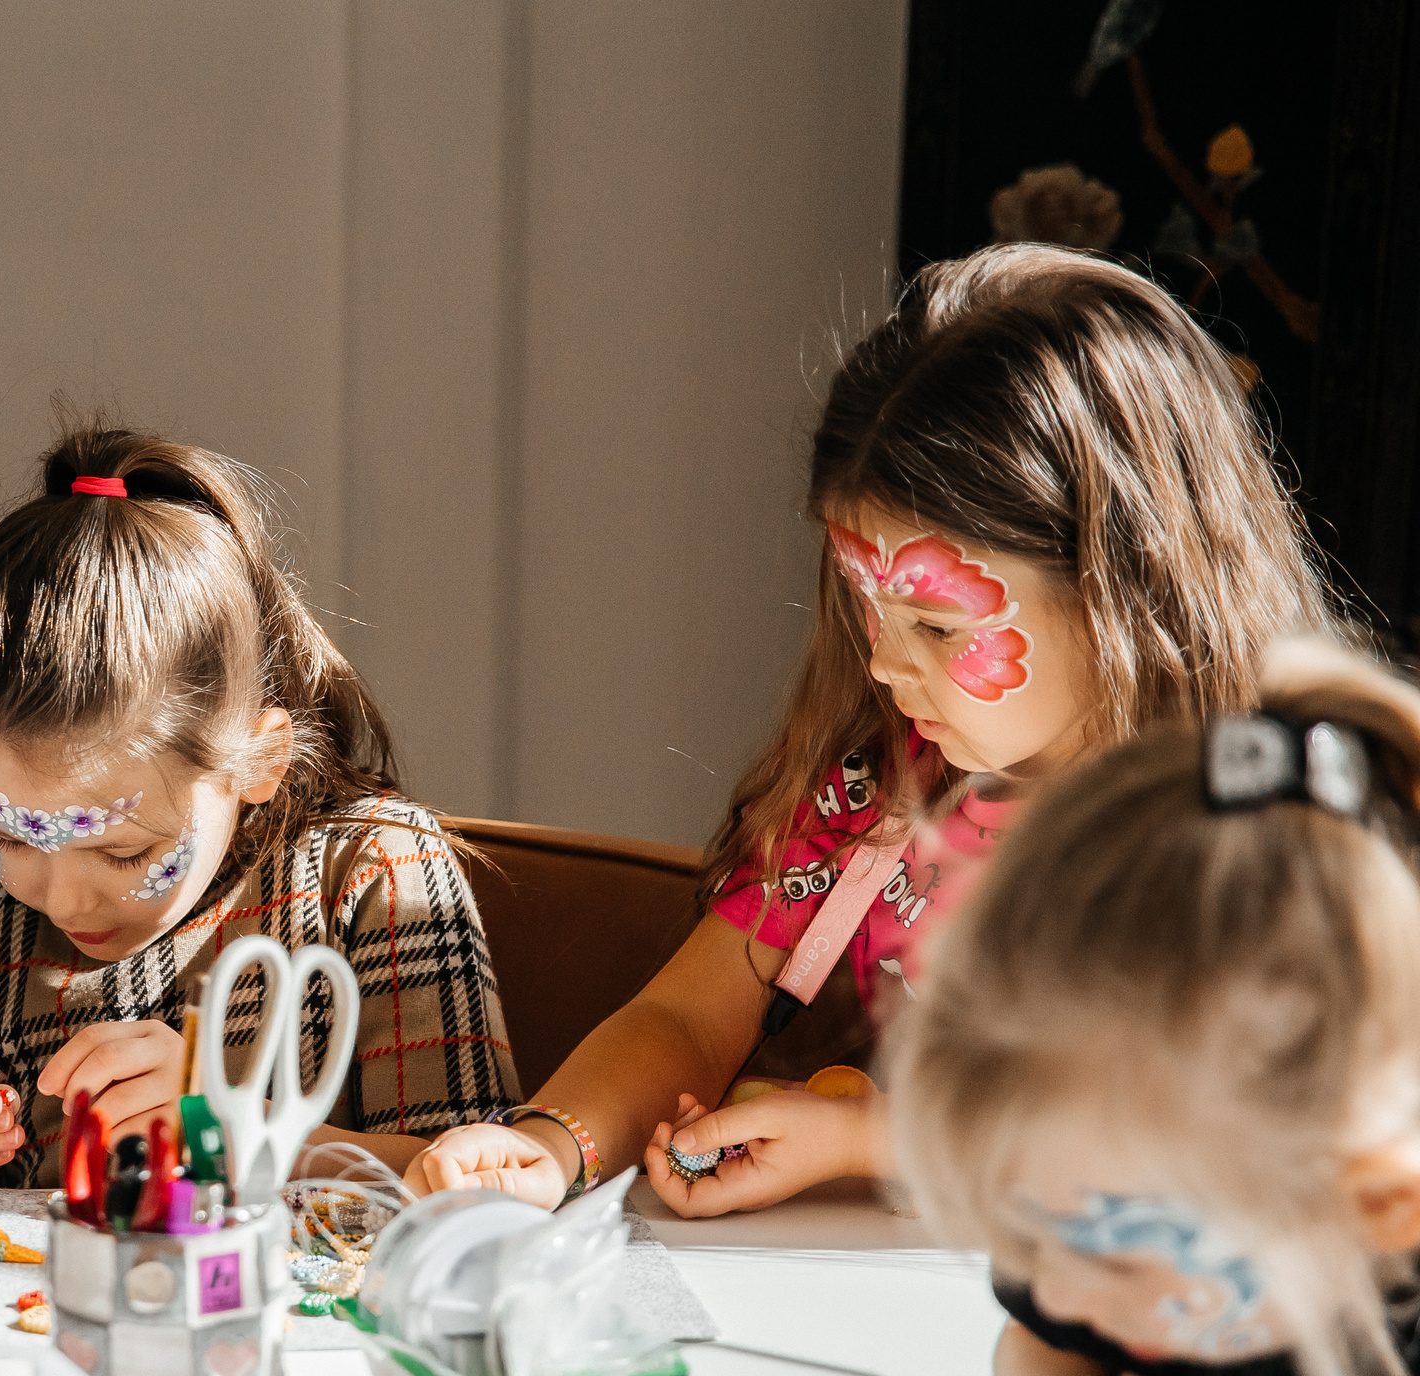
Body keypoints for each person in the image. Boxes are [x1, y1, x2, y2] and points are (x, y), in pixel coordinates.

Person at [405, 243, 1343, 1213]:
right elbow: (685, 1019)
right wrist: (552, 1143)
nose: (887, 666)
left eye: (938, 626)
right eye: (867, 604)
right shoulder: (879, 800)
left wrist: (870, 1138)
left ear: (1125, 584)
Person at [892, 636, 1420, 1376]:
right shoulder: (1228, 1226)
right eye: (1026, 1234)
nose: (1054, 1289)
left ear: (1374, 1203)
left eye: (1114, 1255)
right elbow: (1047, 1355)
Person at [0, 424, 523, 1189]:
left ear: (260, 759)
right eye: (5, 837)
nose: (62, 896)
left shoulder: (374, 876)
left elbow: (479, 1187)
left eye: (123, 852)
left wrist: (233, 1127)